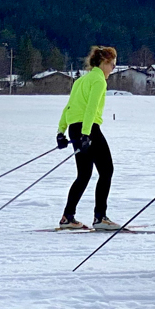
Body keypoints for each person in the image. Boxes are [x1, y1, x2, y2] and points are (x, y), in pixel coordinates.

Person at [55, 46, 122, 230]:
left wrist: (61, 132)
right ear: (104, 62)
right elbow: (91, 108)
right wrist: (86, 134)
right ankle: (100, 217)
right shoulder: (99, 80)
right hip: (89, 128)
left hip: (75, 128)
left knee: (84, 175)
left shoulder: (80, 80)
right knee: (107, 171)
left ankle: (68, 217)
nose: (113, 69)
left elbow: (68, 107)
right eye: (112, 64)